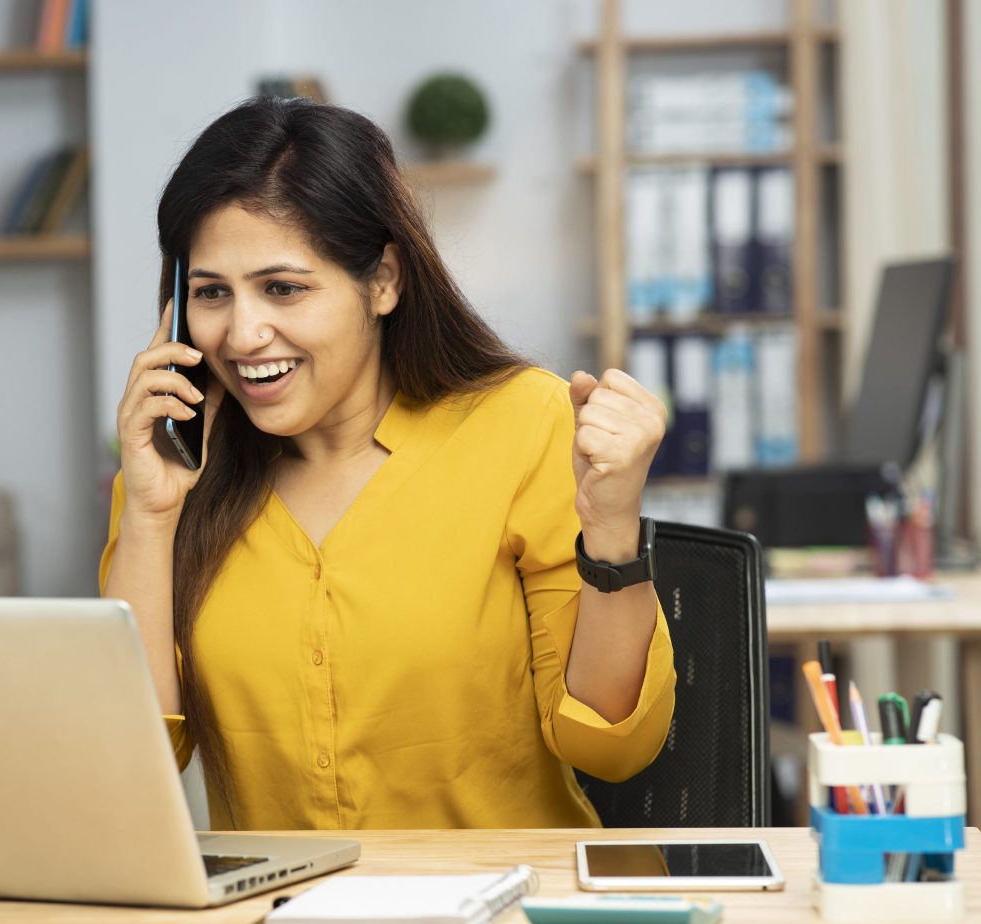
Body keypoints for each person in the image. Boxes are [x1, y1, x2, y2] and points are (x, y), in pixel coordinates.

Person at [100, 96, 675, 831]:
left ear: (383, 281)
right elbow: (133, 763)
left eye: (284, 288)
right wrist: (150, 517)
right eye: (212, 293)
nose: (243, 335)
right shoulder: (172, 470)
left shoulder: (525, 427)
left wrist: (613, 528)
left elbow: (612, 748)